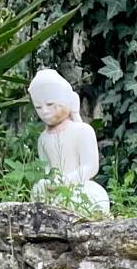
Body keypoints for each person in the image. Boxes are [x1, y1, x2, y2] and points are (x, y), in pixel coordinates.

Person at [28, 67, 110, 214]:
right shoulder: (43, 139)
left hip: (78, 187)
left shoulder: (82, 130)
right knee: (38, 189)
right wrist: (50, 182)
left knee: (94, 197)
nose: (45, 112)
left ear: (68, 101)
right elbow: (47, 169)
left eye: (51, 105)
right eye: (39, 107)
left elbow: (90, 167)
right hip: (54, 190)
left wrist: (67, 180)